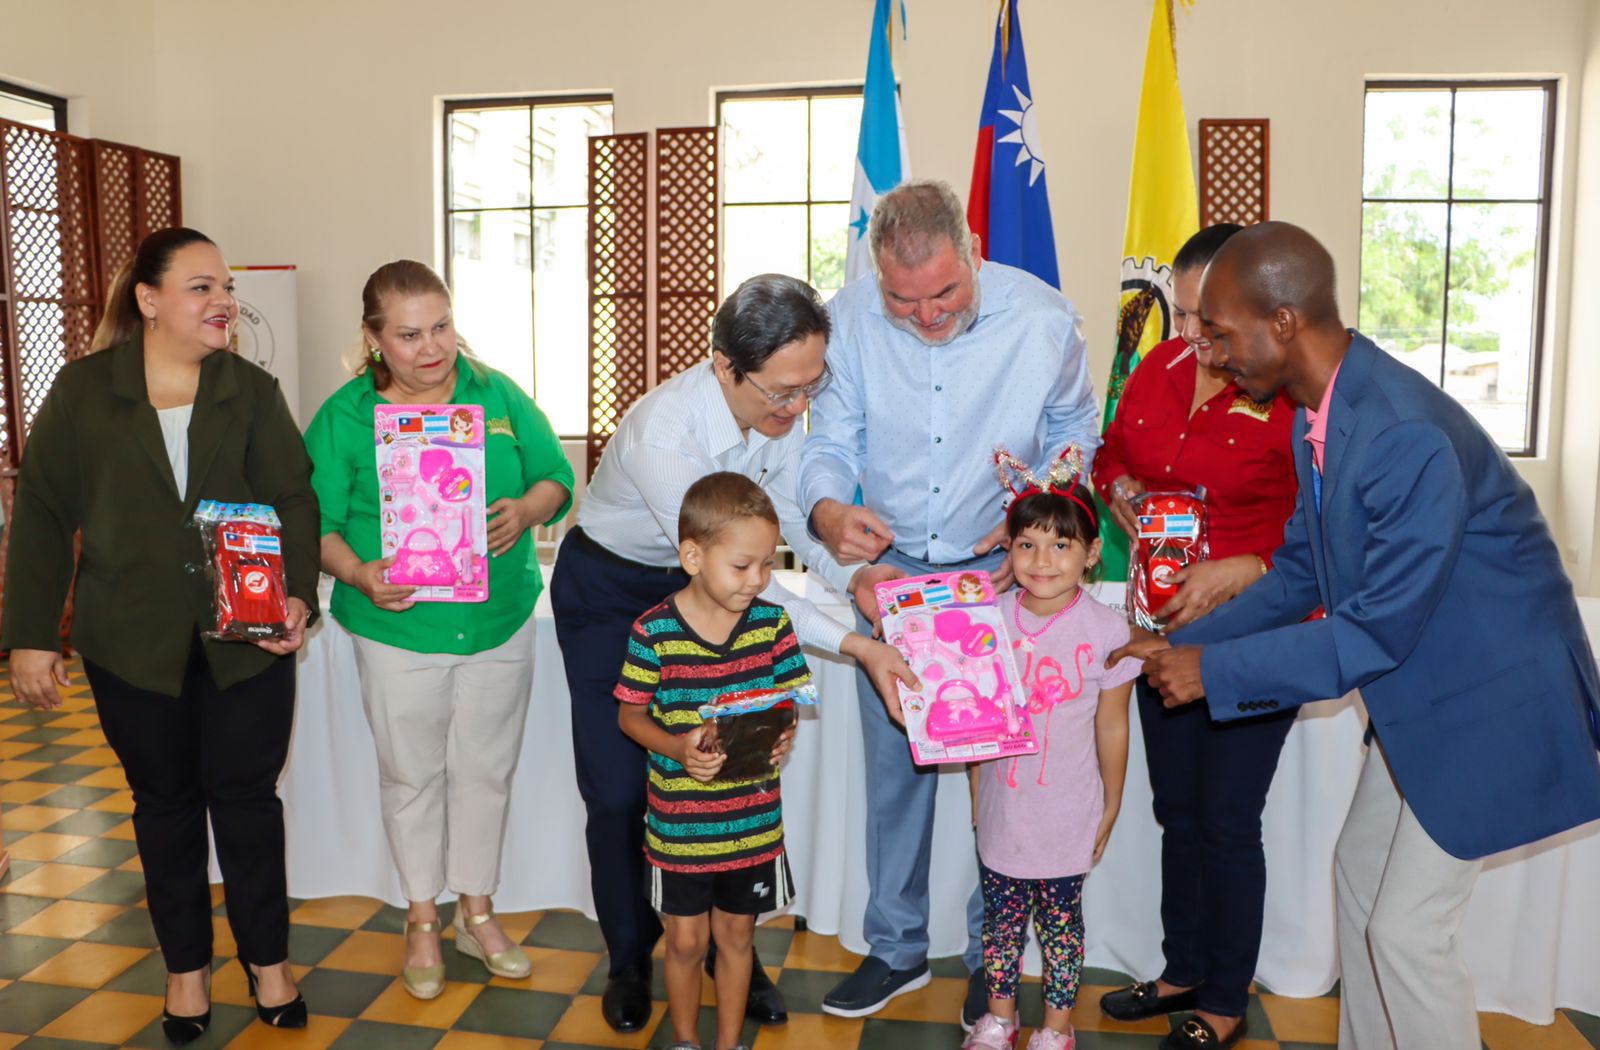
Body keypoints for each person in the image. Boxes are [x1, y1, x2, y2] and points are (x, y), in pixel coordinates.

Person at [1115, 221, 1600, 1049]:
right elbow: (1303, 573)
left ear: (1285, 322)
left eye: (1225, 335)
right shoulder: (1324, 411)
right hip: (1429, 695)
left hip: (1494, 704)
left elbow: (1373, 629)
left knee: (1407, 930)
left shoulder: (1400, 431)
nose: (1216, 355)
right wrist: (1186, 642)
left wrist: (1213, 670)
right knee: (1361, 883)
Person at [551, 273, 917, 1032]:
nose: (796, 407)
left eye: (810, 386)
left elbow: (788, 528)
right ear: (725, 366)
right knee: (622, 789)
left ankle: (731, 955)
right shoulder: (666, 435)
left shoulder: (780, 419)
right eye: (780, 391)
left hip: (723, 581)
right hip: (616, 592)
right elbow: (746, 576)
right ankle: (630, 956)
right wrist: (855, 643)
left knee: (735, 771)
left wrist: (858, 579)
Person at [2, 227, 318, 1044]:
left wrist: (295, 596)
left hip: (246, 644)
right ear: (149, 301)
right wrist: (31, 635)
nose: (224, 303)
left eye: (226, 289)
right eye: (202, 287)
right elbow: (41, 513)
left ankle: (268, 963)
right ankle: (185, 971)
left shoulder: (250, 390)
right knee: (164, 807)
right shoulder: (81, 392)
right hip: (130, 645)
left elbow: (293, 500)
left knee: (248, 804)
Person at [798, 180, 1101, 1026]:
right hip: (889, 574)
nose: (926, 315)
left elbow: (1078, 426)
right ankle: (895, 947)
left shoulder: (1042, 319)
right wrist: (826, 512)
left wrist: (1031, 525)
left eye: (943, 294)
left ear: (972, 252)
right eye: (904, 298)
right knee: (895, 774)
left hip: (1001, 576)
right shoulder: (849, 317)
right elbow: (830, 437)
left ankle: (987, 961)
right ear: (875, 272)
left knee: (997, 778)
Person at [304, 260, 573, 999]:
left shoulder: (498, 395)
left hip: (499, 620)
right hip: (397, 630)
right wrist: (359, 573)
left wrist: (527, 510)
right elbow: (315, 526)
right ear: (373, 339)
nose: (432, 348)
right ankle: (423, 917)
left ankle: (477, 909)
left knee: (486, 771)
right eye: (409, 334)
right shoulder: (346, 416)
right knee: (412, 775)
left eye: (442, 326)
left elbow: (556, 476)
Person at [1089, 225, 1300, 1049]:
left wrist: (1247, 566)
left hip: (1256, 637)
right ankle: (1181, 969)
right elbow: (1109, 454)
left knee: (1225, 815)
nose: (1189, 336)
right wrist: (1124, 491)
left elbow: (1334, 532)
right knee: (1176, 808)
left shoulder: (1291, 395)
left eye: (1205, 319)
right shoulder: (1160, 366)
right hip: (1159, 629)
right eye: (1180, 314)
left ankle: (1222, 997)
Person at [615, 472, 812, 1050]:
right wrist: (678, 748)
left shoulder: (773, 625)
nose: (758, 581)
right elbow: (629, 716)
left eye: (767, 565)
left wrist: (783, 734)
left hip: (751, 824)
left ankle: (727, 1043)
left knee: (736, 940)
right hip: (681, 829)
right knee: (683, 945)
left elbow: (788, 705)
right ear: (693, 555)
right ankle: (684, 1040)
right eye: (742, 566)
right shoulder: (653, 632)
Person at [962, 452, 1140, 1050]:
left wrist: (1111, 803)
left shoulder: (1109, 632)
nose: (1043, 562)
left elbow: (1113, 727)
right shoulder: (986, 621)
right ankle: (999, 1019)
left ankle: (1056, 1029)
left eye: (1061, 546)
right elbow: (974, 726)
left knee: (1062, 927)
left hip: (1068, 809)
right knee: (1001, 925)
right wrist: (975, 792)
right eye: (1028, 545)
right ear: (1009, 549)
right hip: (1002, 810)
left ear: (1091, 553)